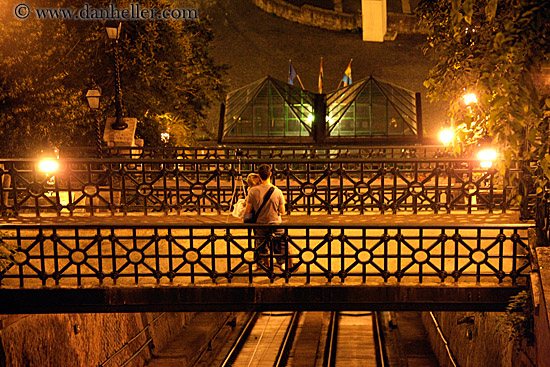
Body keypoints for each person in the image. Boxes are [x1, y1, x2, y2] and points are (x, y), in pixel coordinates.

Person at [244, 164, 289, 270]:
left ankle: (259, 262)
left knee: (259, 242)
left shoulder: (252, 191)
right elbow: (282, 211)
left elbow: (248, 210)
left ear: (259, 175)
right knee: (280, 242)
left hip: (260, 224)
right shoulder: (277, 191)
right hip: (275, 223)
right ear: (271, 174)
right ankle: (281, 262)